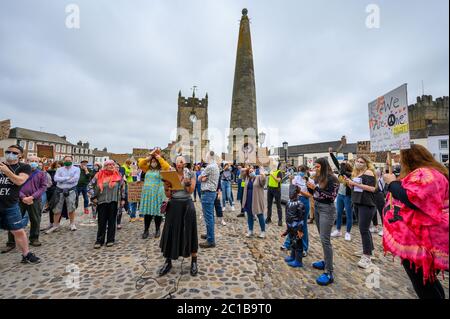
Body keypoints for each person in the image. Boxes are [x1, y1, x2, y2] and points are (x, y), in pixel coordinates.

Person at [383, 144, 448, 299]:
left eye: (400, 157)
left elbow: (415, 199)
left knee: (424, 286)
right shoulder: (427, 172)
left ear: (409, 158)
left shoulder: (426, 174)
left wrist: (392, 183)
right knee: (428, 282)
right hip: (420, 239)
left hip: (423, 242)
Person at [159, 156, 198, 277]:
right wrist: (166, 187)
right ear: (175, 163)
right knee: (170, 232)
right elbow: (168, 195)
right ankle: (168, 261)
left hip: (187, 204)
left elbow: (191, 191)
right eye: (178, 161)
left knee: (190, 231)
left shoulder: (191, 174)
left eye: (182, 161)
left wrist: (186, 184)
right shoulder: (170, 174)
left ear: (185, 163)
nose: (179, 163)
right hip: (174, 204)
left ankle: (194, 262)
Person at [0, 145, 40, 263]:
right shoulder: (1, 165)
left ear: (20, 155)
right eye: (8, 151)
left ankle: (26, 254)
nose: (10, 154)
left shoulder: (24, 167)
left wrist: (7, 172)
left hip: (10, 205)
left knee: (18, 230)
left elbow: (19, 181)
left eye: (14, 152)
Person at [307, 158, 339, 286]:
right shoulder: (318, 177)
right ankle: (326, 262)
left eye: (318, 167)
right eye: (315, 167)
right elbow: (314, 193)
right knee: (322, 238)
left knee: (325, 240)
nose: (316, 169)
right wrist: (309, 186)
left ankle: (329, 272)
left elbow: (331, 196)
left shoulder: (333, 179)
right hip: (318, 207)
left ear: (324, 166)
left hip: (327, 209)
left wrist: (315, 188)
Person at [4, 155, 47, 248]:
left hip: (34, 200)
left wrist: (32, 197)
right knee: (14, 221)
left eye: (36, 161)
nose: (34, 162)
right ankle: (11, 242)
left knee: (35, 220)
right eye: (31, 160)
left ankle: (34, 238)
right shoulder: (19, 172)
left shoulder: (41, 173)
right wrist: (23, 197)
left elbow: (43, 187)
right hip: (19, 200)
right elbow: (15, 185)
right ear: (26, 161)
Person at [345, 155, 377, 269]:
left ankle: (367, 256)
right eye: (357, 161)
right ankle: (368, 249)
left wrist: (355, 184)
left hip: (366, 204)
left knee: (363, 230)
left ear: (366, 163)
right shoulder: (357, 173)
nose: (358, 163)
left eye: (361, 162)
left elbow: (372, 188)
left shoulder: (368, 172)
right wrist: (350, 184)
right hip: (357, 202)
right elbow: (357, 189)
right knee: (363, 229)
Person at [89, 160, 125, 248]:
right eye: (108, 165)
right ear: (105, 166)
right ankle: (99, 240)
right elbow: (89, 186)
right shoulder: (98, 175)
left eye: (112, 165)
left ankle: (110, 239)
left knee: (112, 221)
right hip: (101, 201)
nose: (110, 166)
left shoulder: (118, 175)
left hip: (114, 201)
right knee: (101, 222)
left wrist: (123, 198)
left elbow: (122, 187)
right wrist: (93, 197)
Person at [138, 149, 170, 239]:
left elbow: (167, 167)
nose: (153, 162)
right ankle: (146, 230)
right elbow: (140, 164)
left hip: (157, 193)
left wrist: (158, 157)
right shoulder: (147, 168)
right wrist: (149, 158)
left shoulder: (162, 169)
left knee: (157, 213)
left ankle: (157, 229)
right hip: (148, 194)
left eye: (155, 161)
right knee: (147, 213)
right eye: (152, 161)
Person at [283, 165, 313, 256]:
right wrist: (292, 183)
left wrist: (300, 191)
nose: (301, 172)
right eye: (300, 170)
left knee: (302, 225)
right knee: (292, 224)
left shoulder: (310, 181)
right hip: (295, 200)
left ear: (307, 171)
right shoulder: (296, 178)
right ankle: (288, 244)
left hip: (304, 200)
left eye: (303, 170)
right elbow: (292, 191)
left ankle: (304, 248)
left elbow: (309, 195)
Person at [45, 156, 80, 233]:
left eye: (69, 160)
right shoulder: (59, 169)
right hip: (59, 190)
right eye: (66, 160)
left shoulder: (76, 169)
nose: (68, 161)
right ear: (64, 161)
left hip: (71, 190)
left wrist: (62, 179)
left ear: (72, 160)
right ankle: (55, 225)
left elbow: (75, 179)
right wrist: (67, 178)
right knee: (57, 207)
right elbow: (56, 179)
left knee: (71, 207)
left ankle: (72, 224)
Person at [328, 148, 354, 241]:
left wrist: (347, 177)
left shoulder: (351, 174)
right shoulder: (341, 171)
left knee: (348, 214)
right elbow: (335, 162)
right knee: (338, 213)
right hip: (340, 195)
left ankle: (348, 232)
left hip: (348, 196)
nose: (340, 168)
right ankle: (338, 230)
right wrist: (331, 154)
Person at [198, 151, 220, 248]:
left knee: (208, 217)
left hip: (207, 193)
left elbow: (199, 177)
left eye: (206, 156)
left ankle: (211, 240)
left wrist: (202, 178)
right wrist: (203, 178)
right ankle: (209, 234)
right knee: (210, 216)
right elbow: (202, 177)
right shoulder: (215, 166)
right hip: (211, 193)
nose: (205, 158)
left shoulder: (210, 167)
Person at [282, 184, 305, 268]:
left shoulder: (300, 204)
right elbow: (287, 216)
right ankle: (292, 256)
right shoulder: (288, 203)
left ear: (297, 193)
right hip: (290, 227)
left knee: (298, 243)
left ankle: (298, 261)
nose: (291, 194)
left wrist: (300, 230)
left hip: (296, 228)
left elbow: (301, 218)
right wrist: (287, 230)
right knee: (292, 242)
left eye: (293, 192)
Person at [242, 166, 267, 238]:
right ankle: (250, 230)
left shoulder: (258, 177)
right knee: (249, 215)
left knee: (260, 215)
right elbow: (241, 173)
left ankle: (263, 231)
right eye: (249, 172)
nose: (251, 172)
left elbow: (263, 181)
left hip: (257, 199)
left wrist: (262, 173)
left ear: (255, 171)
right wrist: (246, 168)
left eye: (252, 171)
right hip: (248, 199)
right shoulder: (247, 178)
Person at [372, 168, 386, 237]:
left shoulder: (381, 179)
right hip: (373, 195)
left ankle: (384, 229)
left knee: (382, 212)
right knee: (374, 211)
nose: (376, 173)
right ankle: (375, 226)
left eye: (377, 172)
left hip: (379, 196)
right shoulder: (374, 179)